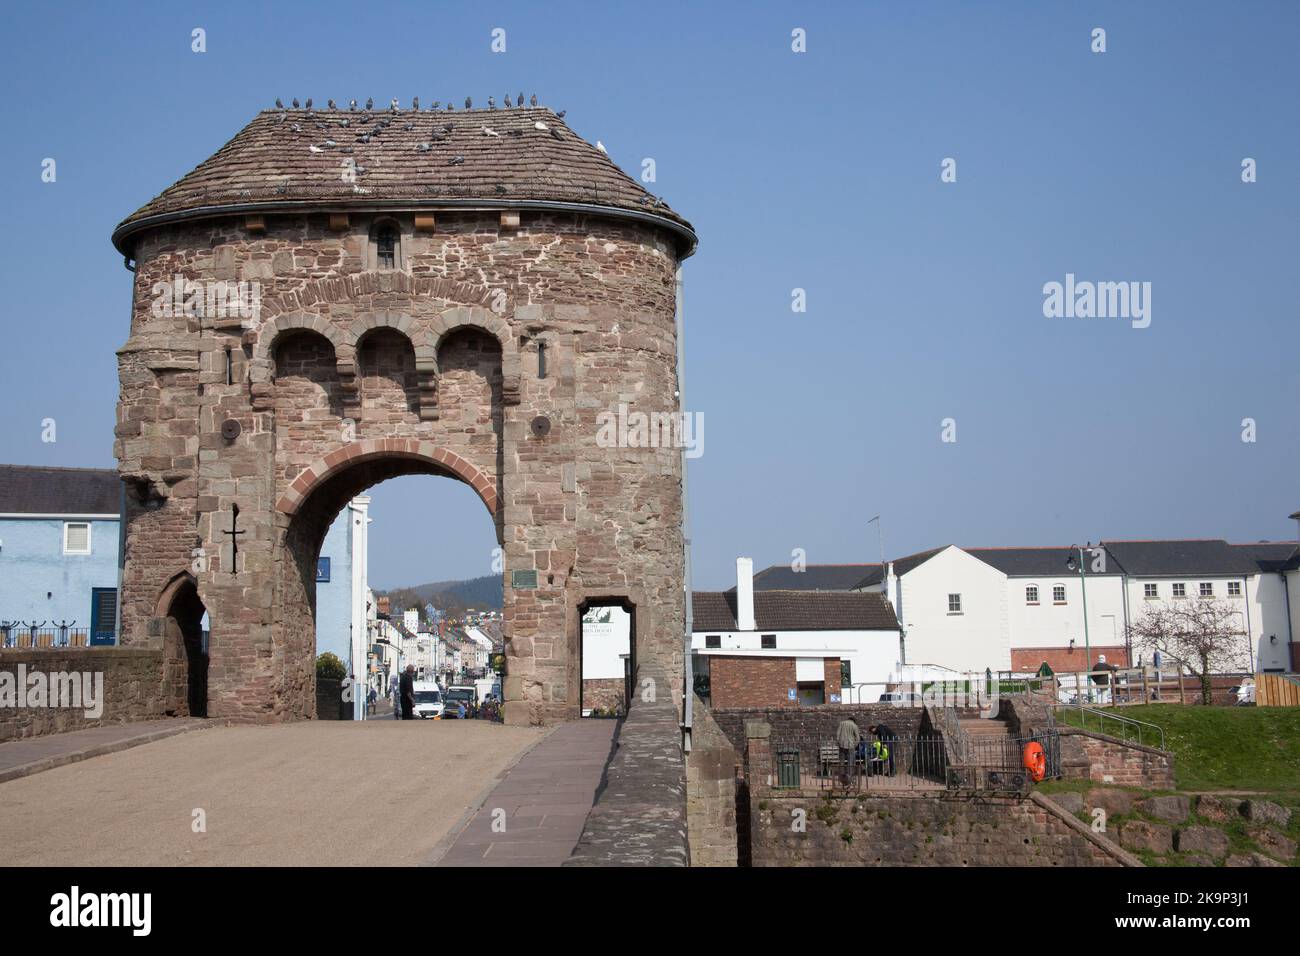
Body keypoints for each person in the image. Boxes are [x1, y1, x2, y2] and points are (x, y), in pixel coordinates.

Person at [835, 717, 861, 785]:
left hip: (842, 745)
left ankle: (841, 777)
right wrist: (854, 745)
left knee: (841, 762)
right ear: (853, 720)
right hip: (851, 745)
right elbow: (858, 738)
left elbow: (837, 734)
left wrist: (839, 742)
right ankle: (849, 777)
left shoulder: (842, 723)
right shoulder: (854, 726)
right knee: (850, 762)